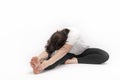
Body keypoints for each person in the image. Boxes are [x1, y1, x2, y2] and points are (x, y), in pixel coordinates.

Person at [30, 28, 109, 74]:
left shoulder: (73, 34)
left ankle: (76, 60)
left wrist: (76, 60)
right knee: (51, 64)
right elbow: (49, 50)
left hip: (83, 51)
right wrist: (38, 58)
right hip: (69, 54)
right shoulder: (56, 36)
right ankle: (38, 65)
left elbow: (64, 50)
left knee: (104, 55)